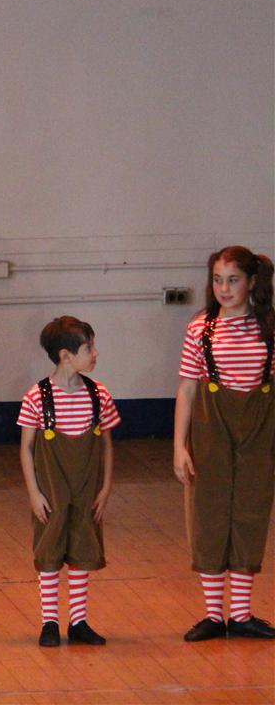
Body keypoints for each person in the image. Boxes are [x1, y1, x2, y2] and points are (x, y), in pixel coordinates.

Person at [173, 245, 275, 642]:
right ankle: (213, 615)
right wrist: (179, 446)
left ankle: (242, 614)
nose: (224, 288)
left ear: (252, 282)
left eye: (233, 280)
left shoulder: (269, 328)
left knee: (251, 510)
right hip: (211, 428)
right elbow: (187, 389)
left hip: (259, 429)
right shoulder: (202, 329)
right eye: (217, 280)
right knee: (209, 512)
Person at [17, 316, 118, 647]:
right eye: (89, 348)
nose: (95, 354)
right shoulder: (37, 397)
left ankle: (78, 621)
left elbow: (106, 445)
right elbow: (26, 448)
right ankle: (49, 622)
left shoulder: (98, 395)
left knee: (82, 548)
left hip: (87, 489)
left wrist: (105, 488)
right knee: (50, 550)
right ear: (65, 355)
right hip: (51, 490)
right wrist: (34, 492)